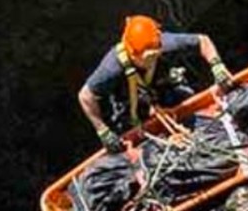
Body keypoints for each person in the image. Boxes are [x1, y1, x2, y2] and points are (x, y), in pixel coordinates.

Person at [77, 15, 235, 153]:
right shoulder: (112, 67)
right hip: (134, 109)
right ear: (132, 54)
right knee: (129, 129)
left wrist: (217, 66)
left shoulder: (162, 43)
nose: (152, 60)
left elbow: (202, 40)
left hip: (165, 93)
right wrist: (102, 130)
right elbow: (86, 96)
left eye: (155, 54)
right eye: (148, 58)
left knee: (183, 94)